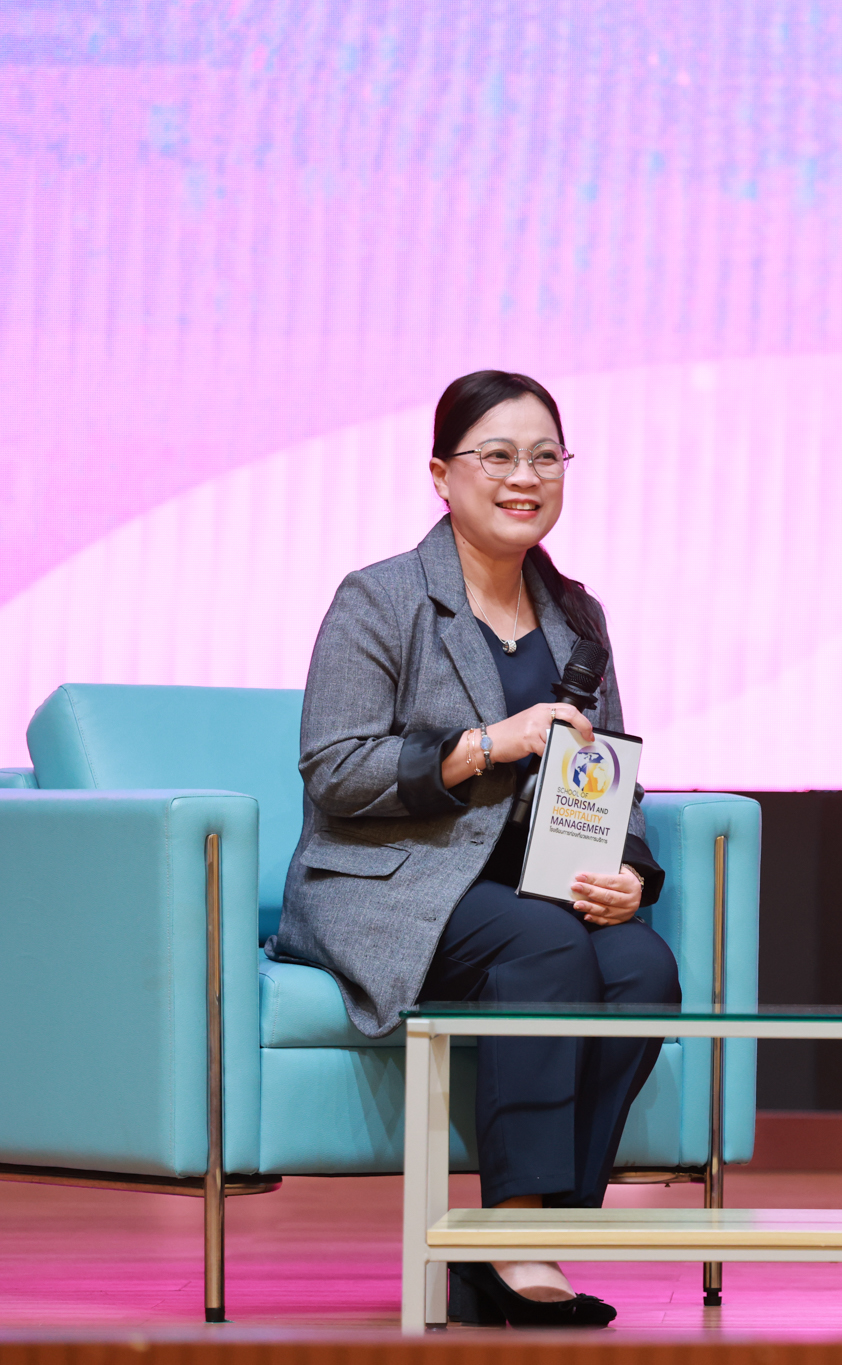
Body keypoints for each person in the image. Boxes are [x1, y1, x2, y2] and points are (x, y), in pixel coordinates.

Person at [275, 371, 680, 1328]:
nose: (523, 477)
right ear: (441, 474)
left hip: (532, 887)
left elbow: (610, 771)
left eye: (544, 456)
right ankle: (513, 1236)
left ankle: (537, 1238)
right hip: (392, 880)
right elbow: (334, 769)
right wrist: (484, 746)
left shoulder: (578, 613)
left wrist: (630, 872)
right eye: (497, 455)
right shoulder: (381, 599)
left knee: (642, 966)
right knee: (541, 941)